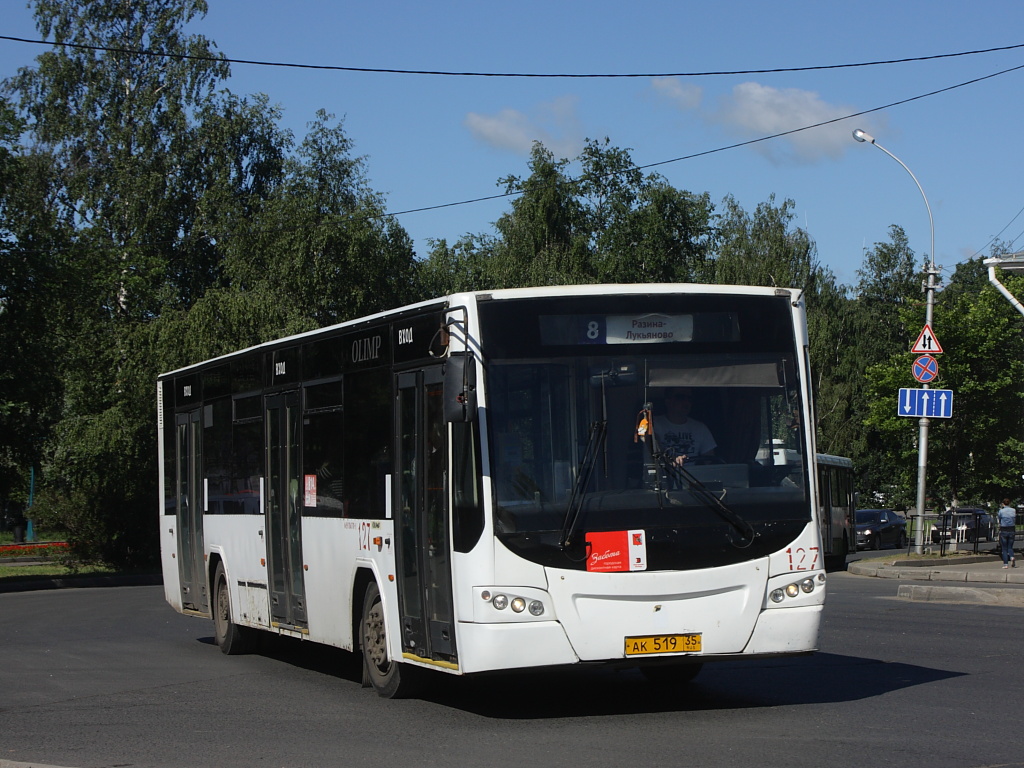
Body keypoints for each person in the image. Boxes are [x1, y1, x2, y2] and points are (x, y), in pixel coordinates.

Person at [652, 387, 717, 467]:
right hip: (663, 475)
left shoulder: (700, 428)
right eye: (680, 397)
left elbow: (710, 462)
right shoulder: (654, 424)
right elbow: (653, 451)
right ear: (668, 401)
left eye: (689, 399)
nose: (686, 402)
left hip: (692, 477)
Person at [997, 498, 1016, 568]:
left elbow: (999, 518)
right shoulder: (1013, 510)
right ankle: (1012, 557)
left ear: (1003, 504)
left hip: (1004, 529)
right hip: (1012, 529)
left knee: (1004, 548)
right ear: (1009, 503)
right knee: (1010, 547)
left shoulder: (1001, 511)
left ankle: (1005, 564)